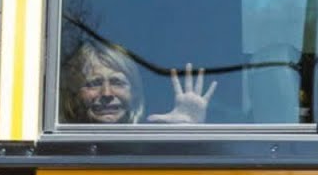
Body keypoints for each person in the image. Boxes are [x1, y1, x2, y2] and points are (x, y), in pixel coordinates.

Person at [61, 41, 216, 125]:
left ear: (134, 93)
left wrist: (187, 132)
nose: (106, 93)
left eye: (117, 82)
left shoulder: (150, 144)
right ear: (76, 94)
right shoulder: (60, 145)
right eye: (94, 83)